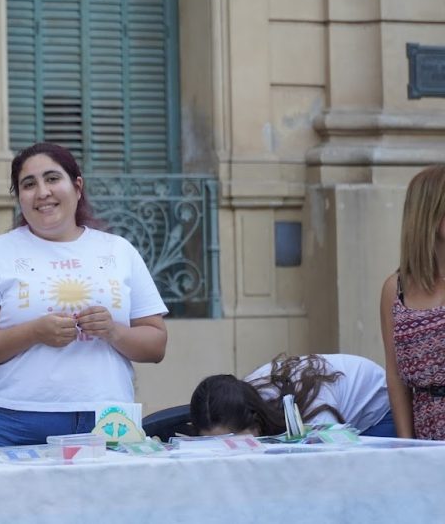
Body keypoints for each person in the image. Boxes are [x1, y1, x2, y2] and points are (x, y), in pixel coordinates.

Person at [0, 142, 168, 447]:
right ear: (19, 197)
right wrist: (33, 332)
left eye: (52, 178)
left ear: (77, 186)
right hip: (16, 420)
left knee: (106, 496)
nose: (42, 192)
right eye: (29, 184)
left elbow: (156, 344)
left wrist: (112, 331)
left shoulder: (118, 250)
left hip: (109, 418)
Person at [380, 164, 445, 440]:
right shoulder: (395, 290)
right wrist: (406, 445)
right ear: (429, 214)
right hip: (425, 436)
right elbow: (395, 377)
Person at [190, 353, 395, 437]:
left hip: (379, 408)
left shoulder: (313, 413)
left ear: (256, 423)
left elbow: (331, 465)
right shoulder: (240, 398)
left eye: (233, 443)